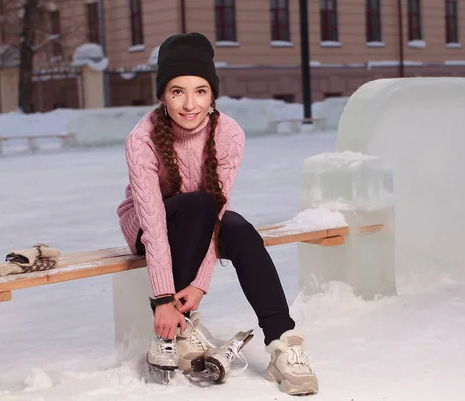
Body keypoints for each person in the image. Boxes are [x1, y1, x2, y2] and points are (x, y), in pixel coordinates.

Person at [116, 32, 319, 396]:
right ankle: (179, 326)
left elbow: (218, 210)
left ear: (212, 95)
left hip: (202, 219)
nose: (189, 103)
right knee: (196, 204)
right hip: (147, 225)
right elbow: (154, 224)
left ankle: (282, 342)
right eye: (177, 91)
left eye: (200, 91)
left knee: (239, 228)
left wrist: (199, 284)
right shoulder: (141, 138)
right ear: (162, 96)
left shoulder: (228, 134)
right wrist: (163, 300)